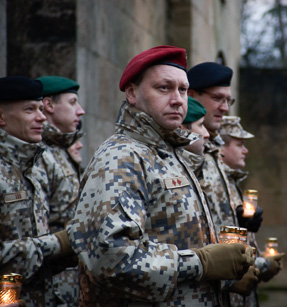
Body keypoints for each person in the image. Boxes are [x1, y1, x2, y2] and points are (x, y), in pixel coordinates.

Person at [66, 45, 253, 306]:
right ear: (132, 93)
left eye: (183, 90)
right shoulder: (123, 157)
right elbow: (111, 261)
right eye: (163, 88)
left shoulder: (171, 153)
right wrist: (202, 263)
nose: (177, 99)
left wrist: (226, 276)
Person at [0, 76, 74, 306]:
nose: (41, 117)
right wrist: (59, 243)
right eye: (30, 109)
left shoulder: (30, 166)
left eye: (41, 109)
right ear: (1, 116)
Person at [187, 62, 263, 237]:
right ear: (191, 95)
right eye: (217, 98)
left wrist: (239, 217)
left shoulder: (213, 148)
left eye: (228, 100)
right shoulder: (183, 147)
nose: (225, 108)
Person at [220, 116, 285, 307]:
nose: (246, 150)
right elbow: (223, 253)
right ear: (221, 147)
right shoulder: (214, 185)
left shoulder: (231, 183)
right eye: (239, 144)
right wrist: (264, 265)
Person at [34, 75, 85, 306]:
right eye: (73, 102)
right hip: (50, 282)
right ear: (49, 105)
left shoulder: (61, 149)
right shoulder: (38, 153)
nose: (81, 111)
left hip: (71, 279)